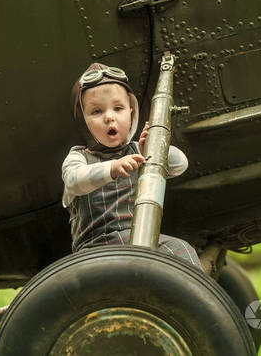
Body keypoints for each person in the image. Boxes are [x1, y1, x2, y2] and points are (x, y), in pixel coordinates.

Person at [61, 63, 202, 269]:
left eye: (118, 108)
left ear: (131, 113)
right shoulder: (78, 157)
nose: (110, 116)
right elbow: (74, 180)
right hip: (95, 247)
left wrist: (151, 149)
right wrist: (112, 169)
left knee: (181, 250)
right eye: (97, 111)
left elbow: (180, 164)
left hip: (140, 236)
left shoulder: (137, 151)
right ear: (83, 121)